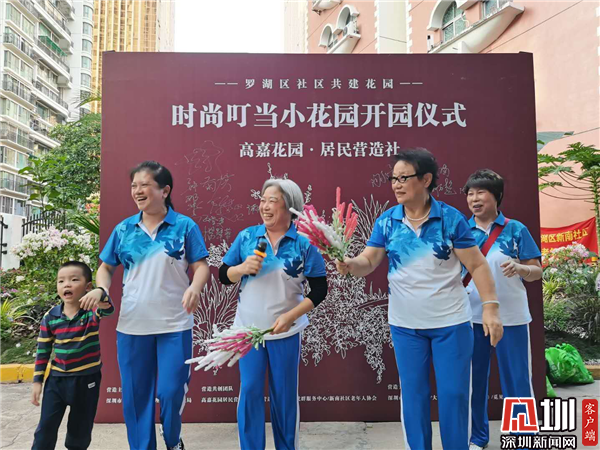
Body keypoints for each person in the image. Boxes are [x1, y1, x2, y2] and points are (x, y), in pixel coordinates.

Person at [335, 149, 503, 450]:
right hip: (406, 326)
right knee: (414, 396)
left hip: (451, 323)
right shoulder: (388, 221)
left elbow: (477, 265)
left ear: (426, 179)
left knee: (454, 395)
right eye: (393, 179)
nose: (397, 185)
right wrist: (350, 265)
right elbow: (369, 261)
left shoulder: (450, 219)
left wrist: (490, 308)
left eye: (404, 178)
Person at [80, 161, 210, 450]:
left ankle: (172, 439)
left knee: (171, 392)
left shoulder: (184, 226)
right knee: (136, 398)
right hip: (133, 325)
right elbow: (106, 267)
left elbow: (201, 266)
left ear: (165, 190)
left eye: (144, 185)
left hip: (174, 324)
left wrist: (195, 287)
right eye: (134, 186)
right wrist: (102, 288)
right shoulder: (124, 229)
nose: (137, 191)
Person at [219, 178, 328, 450]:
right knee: (250, 390)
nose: (265, 206)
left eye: (272, 201)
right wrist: (241, 269)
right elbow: (223, 275)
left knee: (284, 395)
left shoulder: (304, 243)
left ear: (290, 207)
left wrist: (291, 316)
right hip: (248, 331)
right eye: (262, 200)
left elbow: (319, 289)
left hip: (285, 331)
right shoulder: (247, 237)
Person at [464, 169, 542, 450]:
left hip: (512, 317)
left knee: (517, 380)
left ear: (496, 196)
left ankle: (522, 439)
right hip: (472, 316)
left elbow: (537, 270)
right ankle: (477, 438)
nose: (474, 199)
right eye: (470, 194)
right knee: (474, 382)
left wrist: (521, 268)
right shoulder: (461, 231)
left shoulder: (515, 229)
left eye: (480, 193)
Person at [31, 260, 115, 450]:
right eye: (61, 281)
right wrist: (37, 382)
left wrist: (100, 292)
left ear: (87, 287)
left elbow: (109, 308)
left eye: (74, 280)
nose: (66, 284)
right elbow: (43, 351)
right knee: (45, 429)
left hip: (87, 381)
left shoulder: (92, 313)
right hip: (57, 382)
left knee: (80, 432)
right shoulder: (50, 317)